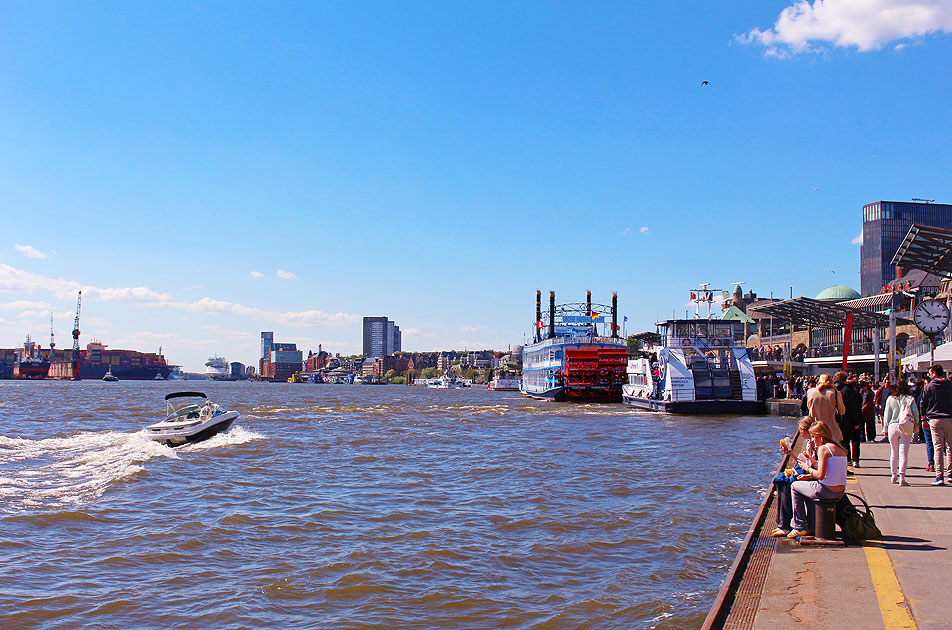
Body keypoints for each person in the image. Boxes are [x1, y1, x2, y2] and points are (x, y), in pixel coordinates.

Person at [789, 421, 848, 538]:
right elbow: (830, 471)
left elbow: (821, 475)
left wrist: (808, 468)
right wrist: (814, 462)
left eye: (815, 437)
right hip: (840, 492)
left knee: (795, 486)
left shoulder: (823, 449)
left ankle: (799, 526)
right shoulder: (840, 449)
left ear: (821, 437)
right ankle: (811, 525)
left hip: (826, 491)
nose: (813, 440)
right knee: (807, 487)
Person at [771, 417, 817, 537]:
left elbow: (814, 465)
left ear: (803, 429)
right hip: (811, 472)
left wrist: (805, 474)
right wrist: (791, 453)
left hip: (813, 475)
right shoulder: (810, 443)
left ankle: (785, 525)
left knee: (786, 485)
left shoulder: (814, 444)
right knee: (782, 481)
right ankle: (782, 524)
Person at [882, 381, 920, 486]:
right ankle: (902, 477)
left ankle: (893, 475)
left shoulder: (890, 399)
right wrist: (916, 424)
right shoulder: (910, 399)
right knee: (903, 454)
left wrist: (885, 428)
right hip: (905, 426)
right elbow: (916, 413)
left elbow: (887, 414)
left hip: (893, 426)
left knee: (894, 452)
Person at [921, 364, 952, 486]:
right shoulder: (950, 385)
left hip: (934, 419)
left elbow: (923, 403)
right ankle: (950, 474)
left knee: (938, 447)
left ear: (934, 373)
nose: (929, 375)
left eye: (930, 373)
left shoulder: (929, 387)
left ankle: (939, 476)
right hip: (949, 418)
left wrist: (923, 419)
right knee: (950, 447)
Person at [806, 373, 846, 444]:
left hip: (816, 428)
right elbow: (842, 411)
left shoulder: (810, 392)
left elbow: (809, 408)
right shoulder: (836, 393)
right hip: (831, 429)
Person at [833, 372, 863, 467]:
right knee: (851, 440)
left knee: (842, 442)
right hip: (848, 419)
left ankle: (847, 459)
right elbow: (852, 407)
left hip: (837, 420)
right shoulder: (847, 390)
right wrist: (856, 421)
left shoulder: (834, 390)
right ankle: (853, 460)